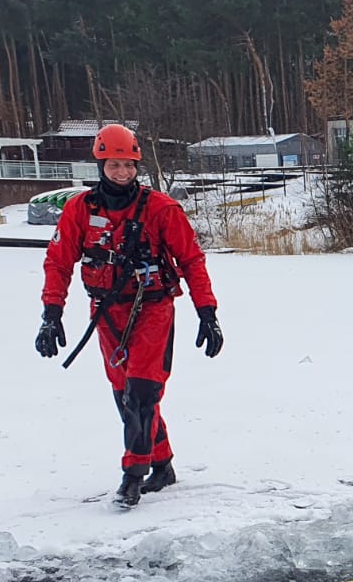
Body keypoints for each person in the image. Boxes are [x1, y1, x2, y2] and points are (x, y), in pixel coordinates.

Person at [37, 124, 223, 508]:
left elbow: (191, 260)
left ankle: (132, 475)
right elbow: (58, 262)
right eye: (114, 165)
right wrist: (51, 313)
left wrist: (208, 312)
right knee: (126, 395)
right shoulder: (79, 210)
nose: (122, 172)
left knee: (142, 393)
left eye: (129, 165)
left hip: (153, 309)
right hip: (106, 313)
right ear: (101, 164)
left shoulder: (161, 210)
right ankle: (163, 464)